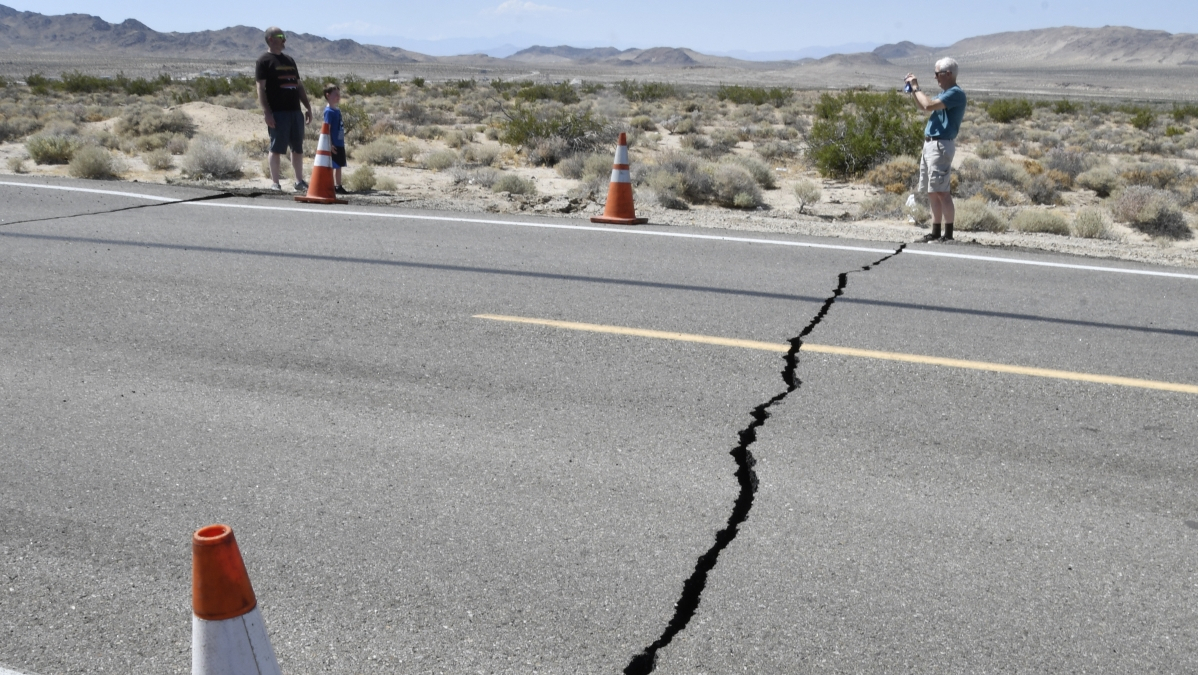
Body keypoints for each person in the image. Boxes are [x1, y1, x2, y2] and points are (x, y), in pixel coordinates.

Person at [905, 58, 966, 242]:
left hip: (940, 146)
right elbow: (923, 106)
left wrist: (916, 87)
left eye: (937, 73)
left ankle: (948, 235)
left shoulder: (955, 93)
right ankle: (935, 232)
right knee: (932, 191)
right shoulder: (945, 93)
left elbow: (927, 105)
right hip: (931, 145)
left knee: (942, 191)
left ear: (948, 74)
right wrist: (913, 91)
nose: (935, 77)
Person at [256, 27, 314, 192]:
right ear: (271, 39)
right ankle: (275, 183)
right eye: (281, 37)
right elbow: (260, 88)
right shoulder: (264, 61)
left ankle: (299, 181)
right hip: (278, 112)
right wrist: (267, 112)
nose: (284, 40)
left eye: (284, 36)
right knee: (276, 148)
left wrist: (307, 107)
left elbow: (298, 85)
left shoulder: (290, 60)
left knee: (297, 148)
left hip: (295, 111)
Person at [322, 83, 349, 194]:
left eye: (339, 94)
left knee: (339, 165)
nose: (338, 96)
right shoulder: (329, 112)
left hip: (340, 142)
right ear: (328, 95)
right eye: (335, 94)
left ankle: (338, 185)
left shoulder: (337, 110)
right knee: (333, 166)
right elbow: (327, 128)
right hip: (334, 143)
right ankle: (330, 185)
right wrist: (329, 143)